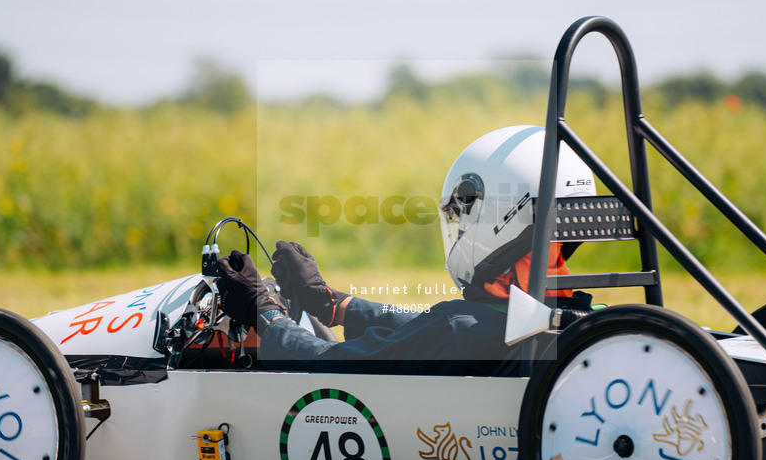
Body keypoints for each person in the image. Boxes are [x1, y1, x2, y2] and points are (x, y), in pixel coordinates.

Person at [217, 125, 596, 375]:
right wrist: (333, 304)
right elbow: (422, 331)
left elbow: (330, 362)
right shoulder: (585, 318)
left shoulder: (457, 332)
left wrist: (263, 312)